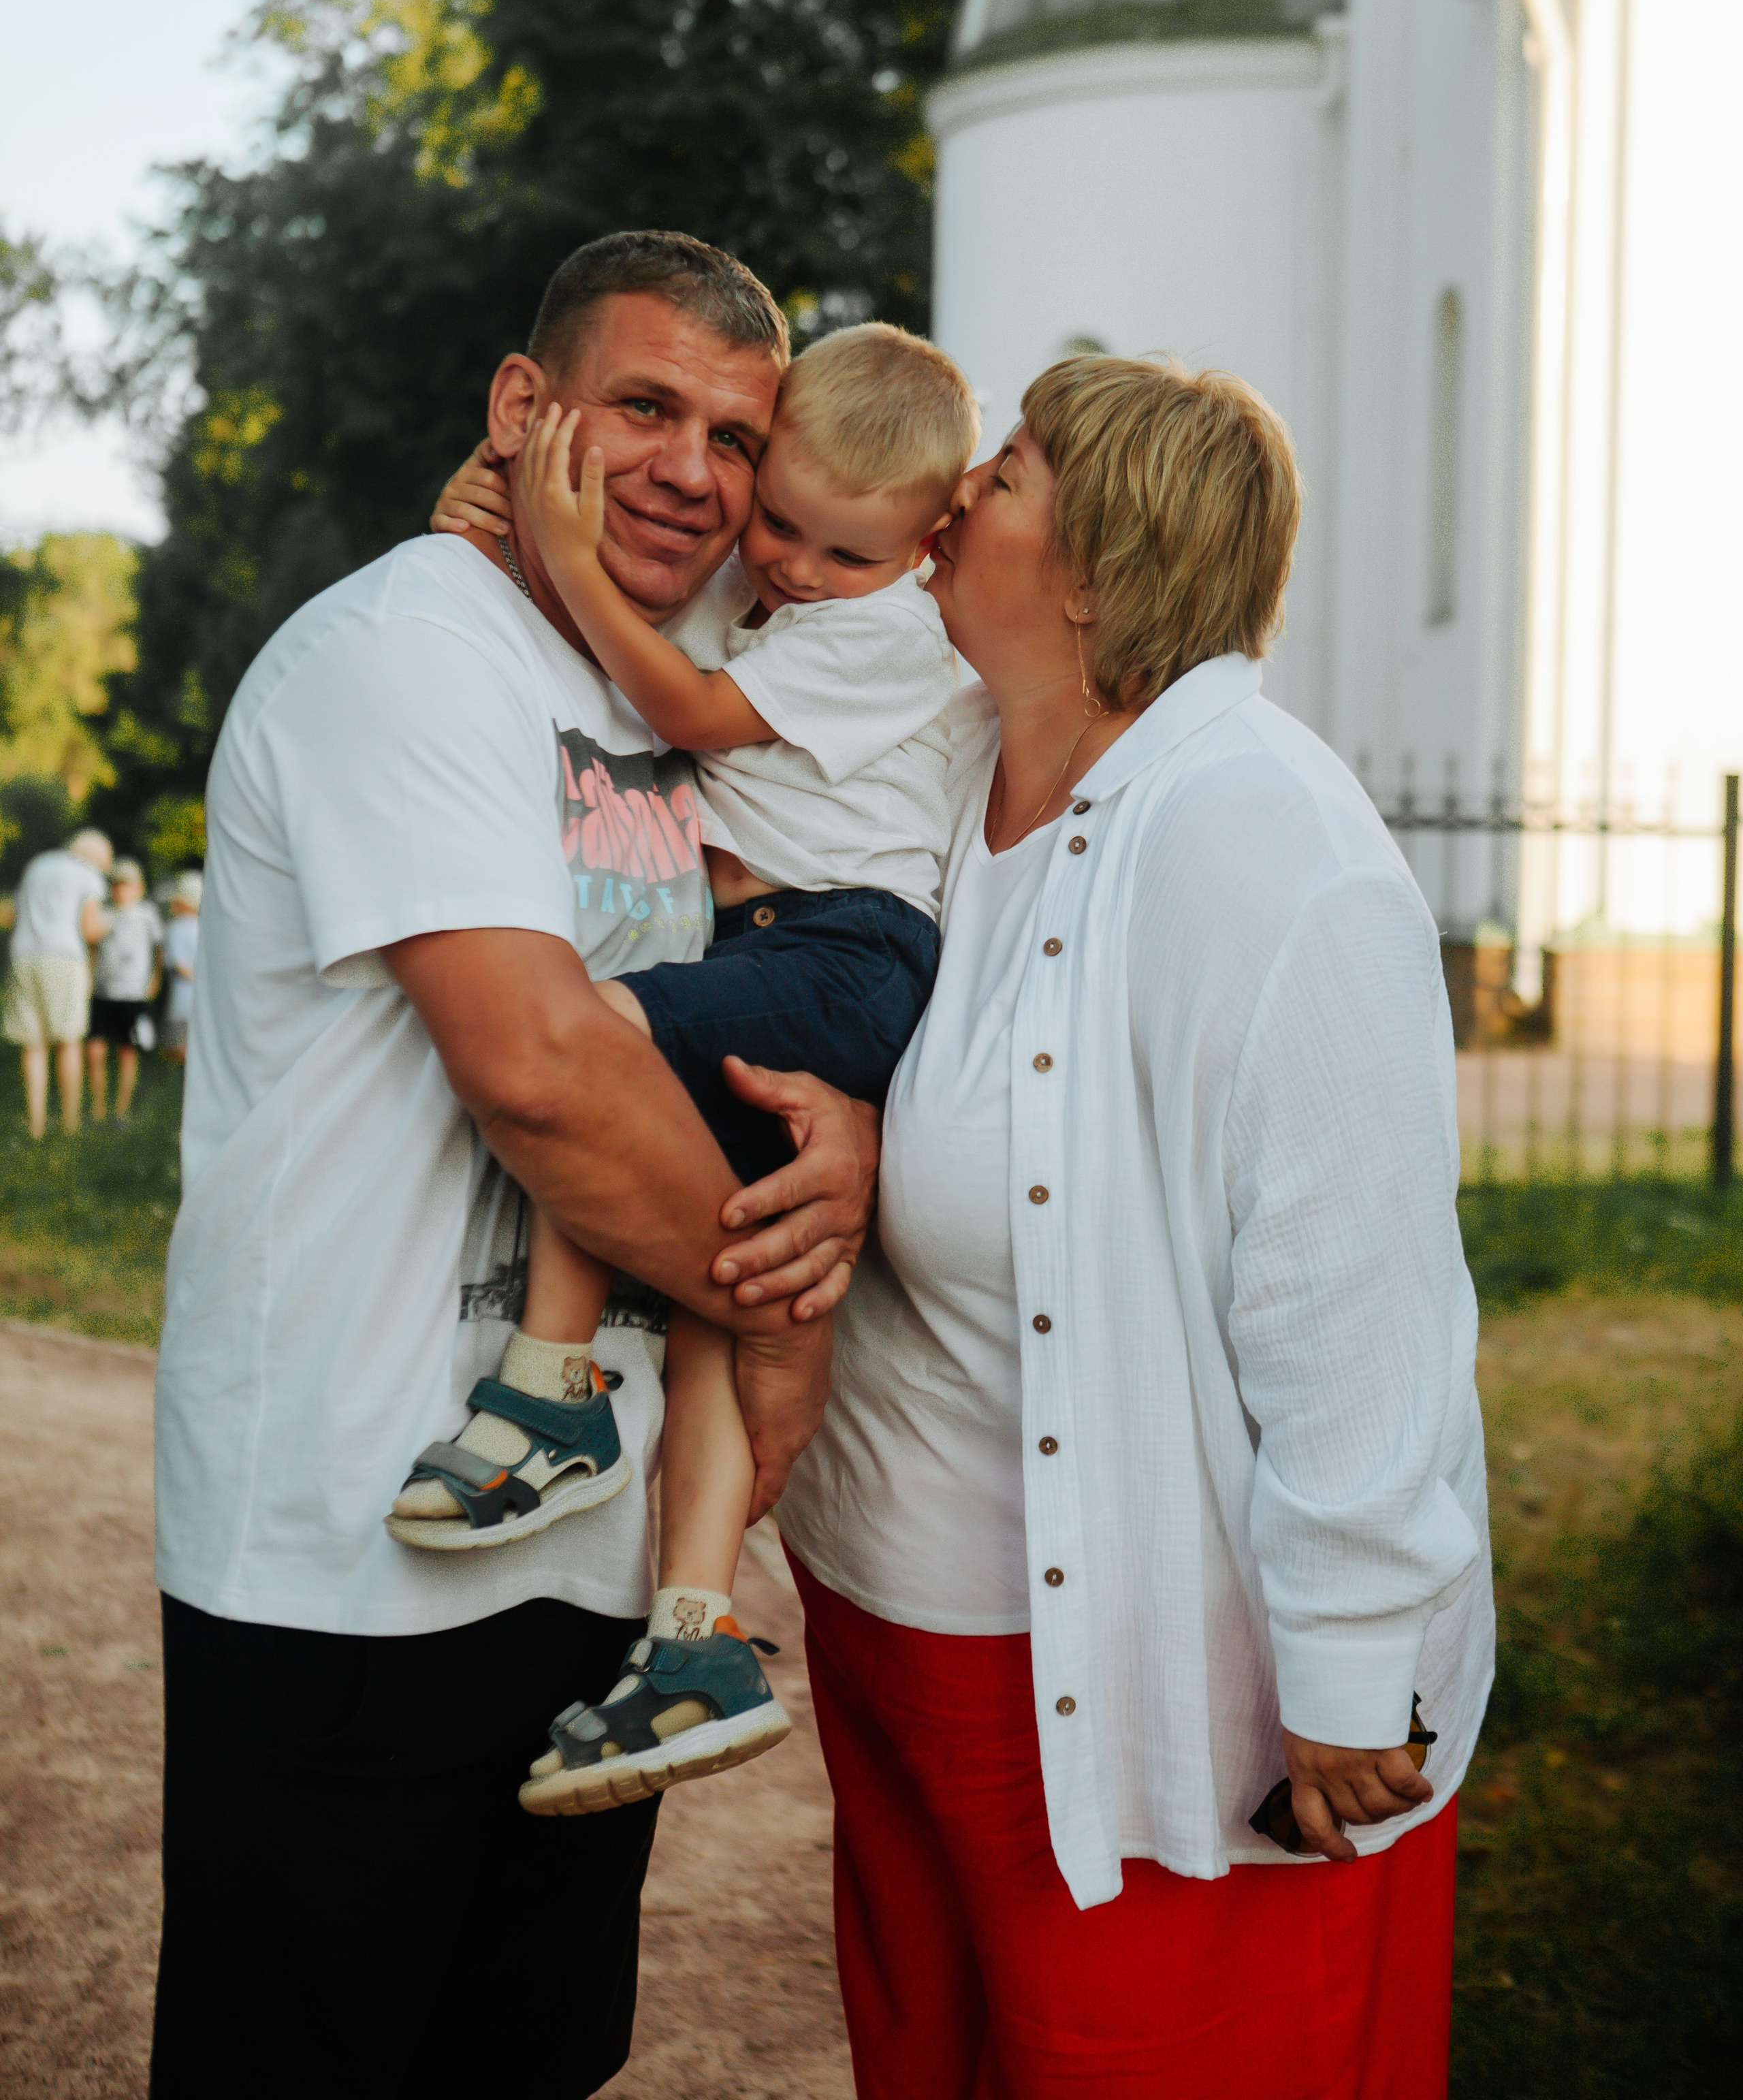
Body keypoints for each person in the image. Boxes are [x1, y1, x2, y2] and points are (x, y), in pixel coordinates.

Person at [149, 232, 878, 2100]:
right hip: (351, 1548)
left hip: (576, 1555)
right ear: (522, 409)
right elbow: (543, 1070)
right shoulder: (407, 654)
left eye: (734, 433)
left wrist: (848, 1129)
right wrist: (780, 1310)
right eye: (644, 407)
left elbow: (791, 974)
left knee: (528, 2055)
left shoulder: (669, 690)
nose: (692, 470)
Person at [777, 354, 1494, 2100]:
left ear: (1100, 563)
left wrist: (1347, 1670)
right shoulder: (955, 774)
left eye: (1004, 474)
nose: (953, 498)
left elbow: (1356, 1299)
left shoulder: (1259, 838)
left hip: (1133, 1679)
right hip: (902, 1633)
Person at [411, 323, 976, 1813]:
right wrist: (506, 509)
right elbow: (665, 582)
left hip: (838, 956)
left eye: (839, 553)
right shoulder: (806, 584)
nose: (787, 566)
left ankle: (551, 1392)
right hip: (785, 953)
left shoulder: (898, 627)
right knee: (715, 1307)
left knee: (584, 1033)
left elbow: (687, 708)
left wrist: (566, 555)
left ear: (926, 543)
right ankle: (695, 1634)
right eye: (774, 521)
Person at [3, 826, 112, 1137]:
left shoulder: (38, 865)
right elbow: (90, 929)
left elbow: (12, 915)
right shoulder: (87, 873)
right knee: (68, 1039)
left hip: (23, 955)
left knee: (33, 1043)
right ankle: (69, 1124)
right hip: (63, 958)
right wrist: (111, 923)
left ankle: (35, 1124)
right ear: (97, 858)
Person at [87, 857, 163, 1121]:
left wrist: (155, 979)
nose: (121, 890)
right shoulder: (104, 914)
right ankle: (97, 1109)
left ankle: (121, 1111)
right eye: (117, 885)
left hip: (132, 992)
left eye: (127, 885)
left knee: (127, 1050)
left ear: (139, 888)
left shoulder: (147, 915)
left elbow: (159, 949)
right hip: (103, 992)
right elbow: (93, 948)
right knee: (95, 1051)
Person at [155, 872, 202, 1062]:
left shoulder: (176, 928)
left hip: (182, 1000)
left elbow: (178, 964)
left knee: (176, 1048)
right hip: (201, 1001)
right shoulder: (205, 927)